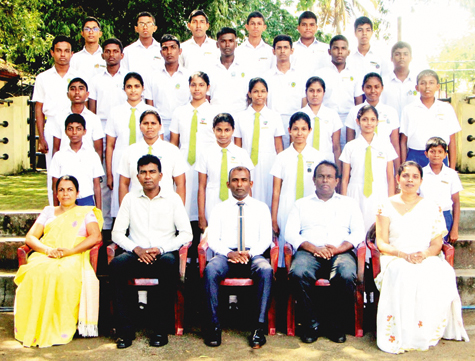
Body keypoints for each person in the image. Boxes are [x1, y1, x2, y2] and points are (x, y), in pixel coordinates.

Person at [375, 161, 468, 354]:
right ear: (398, 179)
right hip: (395, 257)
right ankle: (404, 334)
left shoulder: (432, 206)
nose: (410, 180)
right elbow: (381, 243)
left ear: (421, 181)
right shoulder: (385, 205)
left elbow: (436, 243)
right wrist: (402, 254)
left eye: (415, 176)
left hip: (424, 255)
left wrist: (424, 254)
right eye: (406, 176)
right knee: (403, 273)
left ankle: (426, 330)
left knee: (441, 271)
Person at [110, 155, 192, 349]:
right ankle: (125, 331)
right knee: (116, 265)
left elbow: (186, 233)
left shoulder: (173, 199)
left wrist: (162, 248)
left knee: (168, 265)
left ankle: (159, 329)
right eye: (143, 172)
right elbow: (117, 233)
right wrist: (136, 249)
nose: (148, 176)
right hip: (136, 253)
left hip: (163, 253)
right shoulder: (130, 199)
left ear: (161, 175)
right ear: (137, 176)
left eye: (152, 172)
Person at [14, 175, 103, 347]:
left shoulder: (86, 212)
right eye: (61, 190)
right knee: (34, 271)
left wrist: (71, 251)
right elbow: (31, 237)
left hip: (74, 254)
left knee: (61, 273)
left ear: (77, 193)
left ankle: (59, 326)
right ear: (56, 194)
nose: (65, 194)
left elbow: (95, 236)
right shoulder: (48, 211)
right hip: (47, 253)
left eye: (70, 189)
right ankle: (33, 326)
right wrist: (47, 250)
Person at [287, 160, 365, 344]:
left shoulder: (349, 204)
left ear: (337, 181)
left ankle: (335, 324)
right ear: (313, 180)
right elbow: (290, 233)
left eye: (329, 177)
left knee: (346, 275)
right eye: (321, 176)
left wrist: (338, 248)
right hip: (310, 252)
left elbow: (359, 232)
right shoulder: (301, 204)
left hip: (340, 252)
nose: (325, 180)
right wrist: (314, 248)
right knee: (298, 273)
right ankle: (311, 324)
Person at [203, 166, 273, 348]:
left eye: (243, 180)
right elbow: (212, 239)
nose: (239, 184)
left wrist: (249, 254)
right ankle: (213, 326)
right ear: (228, 184)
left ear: (251, 184)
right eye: (235, 180)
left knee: (266, 269)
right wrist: (229, 253)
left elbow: (266, 239)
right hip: (227, 255)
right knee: (210, 269)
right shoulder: (219, 208)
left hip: (253, 254)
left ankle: (258, 328)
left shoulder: (261, 208)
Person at [270, 112, 325, 266]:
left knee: (307, 241)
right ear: (289, 130)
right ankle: (284, 279)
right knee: (286, 245)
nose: (299, 133)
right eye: (295, 129)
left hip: (310, 206)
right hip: (287, 205)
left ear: (309, 130)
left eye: (303, 129)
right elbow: (276, 190)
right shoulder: (282, 157)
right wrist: (274, 218)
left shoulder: (317, 156)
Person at [170, 71, 217, 244]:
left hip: (207, 164)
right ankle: (185, 254)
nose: (197, 89)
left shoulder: (214, 112)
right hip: (184, 163)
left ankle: (204, 249)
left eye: (201, 85)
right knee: (184, 204)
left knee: (204, 204)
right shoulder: (180, 112)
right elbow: (174, 142)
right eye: (193, 85)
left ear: (208, 87)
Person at [32, 35, 80, 205]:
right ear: (52, 52)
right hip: (52, 124)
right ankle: (55, 211)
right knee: (54, 170)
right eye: (58, 50)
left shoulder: (77, 76)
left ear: (72, 54)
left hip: (73, 125)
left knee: (74, 166)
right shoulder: (43, 77)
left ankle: (74, 211)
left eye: (66, 51)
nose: (62, 55)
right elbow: (38, 107)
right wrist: (41, 137)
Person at [105, 72, 157, 218]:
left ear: (143, 89)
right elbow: (110, 144)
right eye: (129, 87)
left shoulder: (151, 112)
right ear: (124, 89)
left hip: (145, 161)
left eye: (136, 86)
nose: (133, 90)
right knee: (121, 199)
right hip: (121, 160)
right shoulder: (115, 112)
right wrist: (109, 173)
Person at [88, 38, 127, 230]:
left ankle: (123, 221)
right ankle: (105, 225)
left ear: (122, 54)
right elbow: (92, 110)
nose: (111, 55)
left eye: (115, 51)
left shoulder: (128, 79)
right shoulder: (95, 80)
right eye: (108, 51)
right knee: (104, 178)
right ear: (102, 55)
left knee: (124, 177)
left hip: (124, 131)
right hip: (102, 132)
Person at [340, 105, 396, 231]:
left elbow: (390, 177)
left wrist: (391, 202)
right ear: (357, 122)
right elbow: (345, 178)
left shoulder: (386, 146)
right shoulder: (350, 146)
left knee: (378, 230)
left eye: (372, 119)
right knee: (356, 227)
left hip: (379, 192)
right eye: (364, 119)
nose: (368, 123)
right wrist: (343, 202)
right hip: (355, 192)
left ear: (377, 122)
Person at [196, 113, 254, 232]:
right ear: (213, 130)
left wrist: (249, 210)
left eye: (227, 130)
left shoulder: (241, 153)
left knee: (234, 233)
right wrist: (201, 216)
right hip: (212, 200)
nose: (223, 134)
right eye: (219, 130)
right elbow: (201, 186)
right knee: (213, 235)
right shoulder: (206, 153)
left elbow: (247, 186)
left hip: (236, 199)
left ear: (233, 130)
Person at [118, 110, 187, 206]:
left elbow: (180, 184)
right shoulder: (130, 151)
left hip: (165, 206)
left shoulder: (172, 150)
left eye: (153, 123)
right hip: (137, 206)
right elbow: (123, 184)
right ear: (140, 126)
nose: (149, 127)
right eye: (145, 123)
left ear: (160, 126)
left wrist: (179, 211)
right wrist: (124, 210)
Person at [234, 77, 284, 208]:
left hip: (269, 163)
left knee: (269, 197)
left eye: (263, 91)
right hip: (247, 164)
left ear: (267, 93)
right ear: (249, 94)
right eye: (255, 91)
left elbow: (279, 146)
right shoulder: (240, 117)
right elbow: (237, 146)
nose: (259, 95)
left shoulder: (274, 117)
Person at [400, 69, 461, 169]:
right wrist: (403, 166)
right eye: (423, 83)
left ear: (437, 86)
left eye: (431, 83)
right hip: (415, 156)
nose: (427, 86)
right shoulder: (408, 109)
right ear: (417, 88)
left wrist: (452, 169)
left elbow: (452, 141)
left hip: (439, 156)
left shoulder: (446, 108)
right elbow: (403, 141)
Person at [345, 72, 400, 171]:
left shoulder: (391, 112)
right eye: (369, 87)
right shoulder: (354, 111)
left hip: (385, 160)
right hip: (360, 161)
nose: (373, 90)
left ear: (382, 88)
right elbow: (349, 141)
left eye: (376, 87)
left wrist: (398, 171)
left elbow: (395, 143)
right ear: (363, 89)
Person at [316, 35, 363, 147]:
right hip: (326, 119)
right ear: (329, 51)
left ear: (348, 52)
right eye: (336, 48)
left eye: (343, 48)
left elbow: (359, 102)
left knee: (348, 151)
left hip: (349, 120)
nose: (340, 52)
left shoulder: (355, 74)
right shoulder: (321, 74)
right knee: (329, 149)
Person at [50, 114, 104, 208]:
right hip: (66, 202)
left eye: (78, 129)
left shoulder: (92, 155)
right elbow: (55, 186)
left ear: (84, 131)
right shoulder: (59, 156)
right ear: (65, 131)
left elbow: (97, 186)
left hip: (86, 201)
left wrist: (98, 211)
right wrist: (55, 209)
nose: (74, 132)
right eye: (70, 129)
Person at [145, 34, 191, 141]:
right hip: (160, 125)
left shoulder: (188, 76)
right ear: (161, 53)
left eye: (173, 48)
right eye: (165, 48)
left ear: (180, 51)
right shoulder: (152, 76)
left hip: (183, 123)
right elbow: (150, 105)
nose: (169, 52)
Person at [264, 35, 306, 149]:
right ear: (273, 51)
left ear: (292, 50)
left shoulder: (300, 75)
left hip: (295, 123)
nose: (282, 51)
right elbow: (264, 101)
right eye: (279, 48)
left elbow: (304, 101)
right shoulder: (267, 76)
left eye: (286, 47)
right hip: (272, 122)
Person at [419, 137, 462, 244]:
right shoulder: (420, 173)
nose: (436, 155)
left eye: (440, 152)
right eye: (432, 151)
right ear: (426, 153)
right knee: (425, 247)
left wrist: (455, 228)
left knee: (442, 248)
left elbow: (456, 202)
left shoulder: (451, 174)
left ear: (445, 154)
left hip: (445, 216)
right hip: (424, 215)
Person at [51, 78, 104, 158]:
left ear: (87, 94)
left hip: (87, 163)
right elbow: (56, 148)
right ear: (68, 94)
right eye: (73, 89)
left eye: (81, 89)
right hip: (65, 162)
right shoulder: (59, 117)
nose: (77, 92)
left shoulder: (94, 119)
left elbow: (98, 149)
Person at [299, 76, 342, 166]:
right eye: (311, 91)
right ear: (306, 92)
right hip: (304, 161)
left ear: (324, 93)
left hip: (327, 161)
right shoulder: (299, 115)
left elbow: (336, 146)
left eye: (318, 91)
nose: (315, 94)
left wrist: (338, 172)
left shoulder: (332, 115)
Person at [206, 27, 249, 115]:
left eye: (231, 41)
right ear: (217, 44)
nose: (227, 45)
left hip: (240, 116)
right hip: (216, 117)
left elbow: (250, 96)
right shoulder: (210, 68)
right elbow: (207, 97)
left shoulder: (245, 67)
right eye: (223, 41)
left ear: (236, 44)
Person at [380, 41, 419, 120]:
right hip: (389, 126)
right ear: (391, 58)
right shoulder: (383, 82)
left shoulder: (418, 81)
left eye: (405, 54)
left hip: (412, 127)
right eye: (397, 54)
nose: (402, 57)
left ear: (411, 58)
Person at [122, 11, 163, 82]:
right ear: (136, 28)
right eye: (141, 24)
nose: (145, 27)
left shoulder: (162, 50)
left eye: (149, 24)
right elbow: (124, 74)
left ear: (155, 28)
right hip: (135, 91)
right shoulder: (128, 51)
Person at [291, 11, 329, 80]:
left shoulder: (326, 49)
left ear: (316, 27)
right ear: (298, 28)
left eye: (311, 25)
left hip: (318, 89)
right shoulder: (291, 49)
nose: (308, 28)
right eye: (304, 25)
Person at [70, 16, 105, 82]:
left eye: (94, 29)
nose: (91, 32)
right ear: (82, 33)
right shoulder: (74, 58)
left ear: (100, 34)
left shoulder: (106, 57)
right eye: (87, 29)